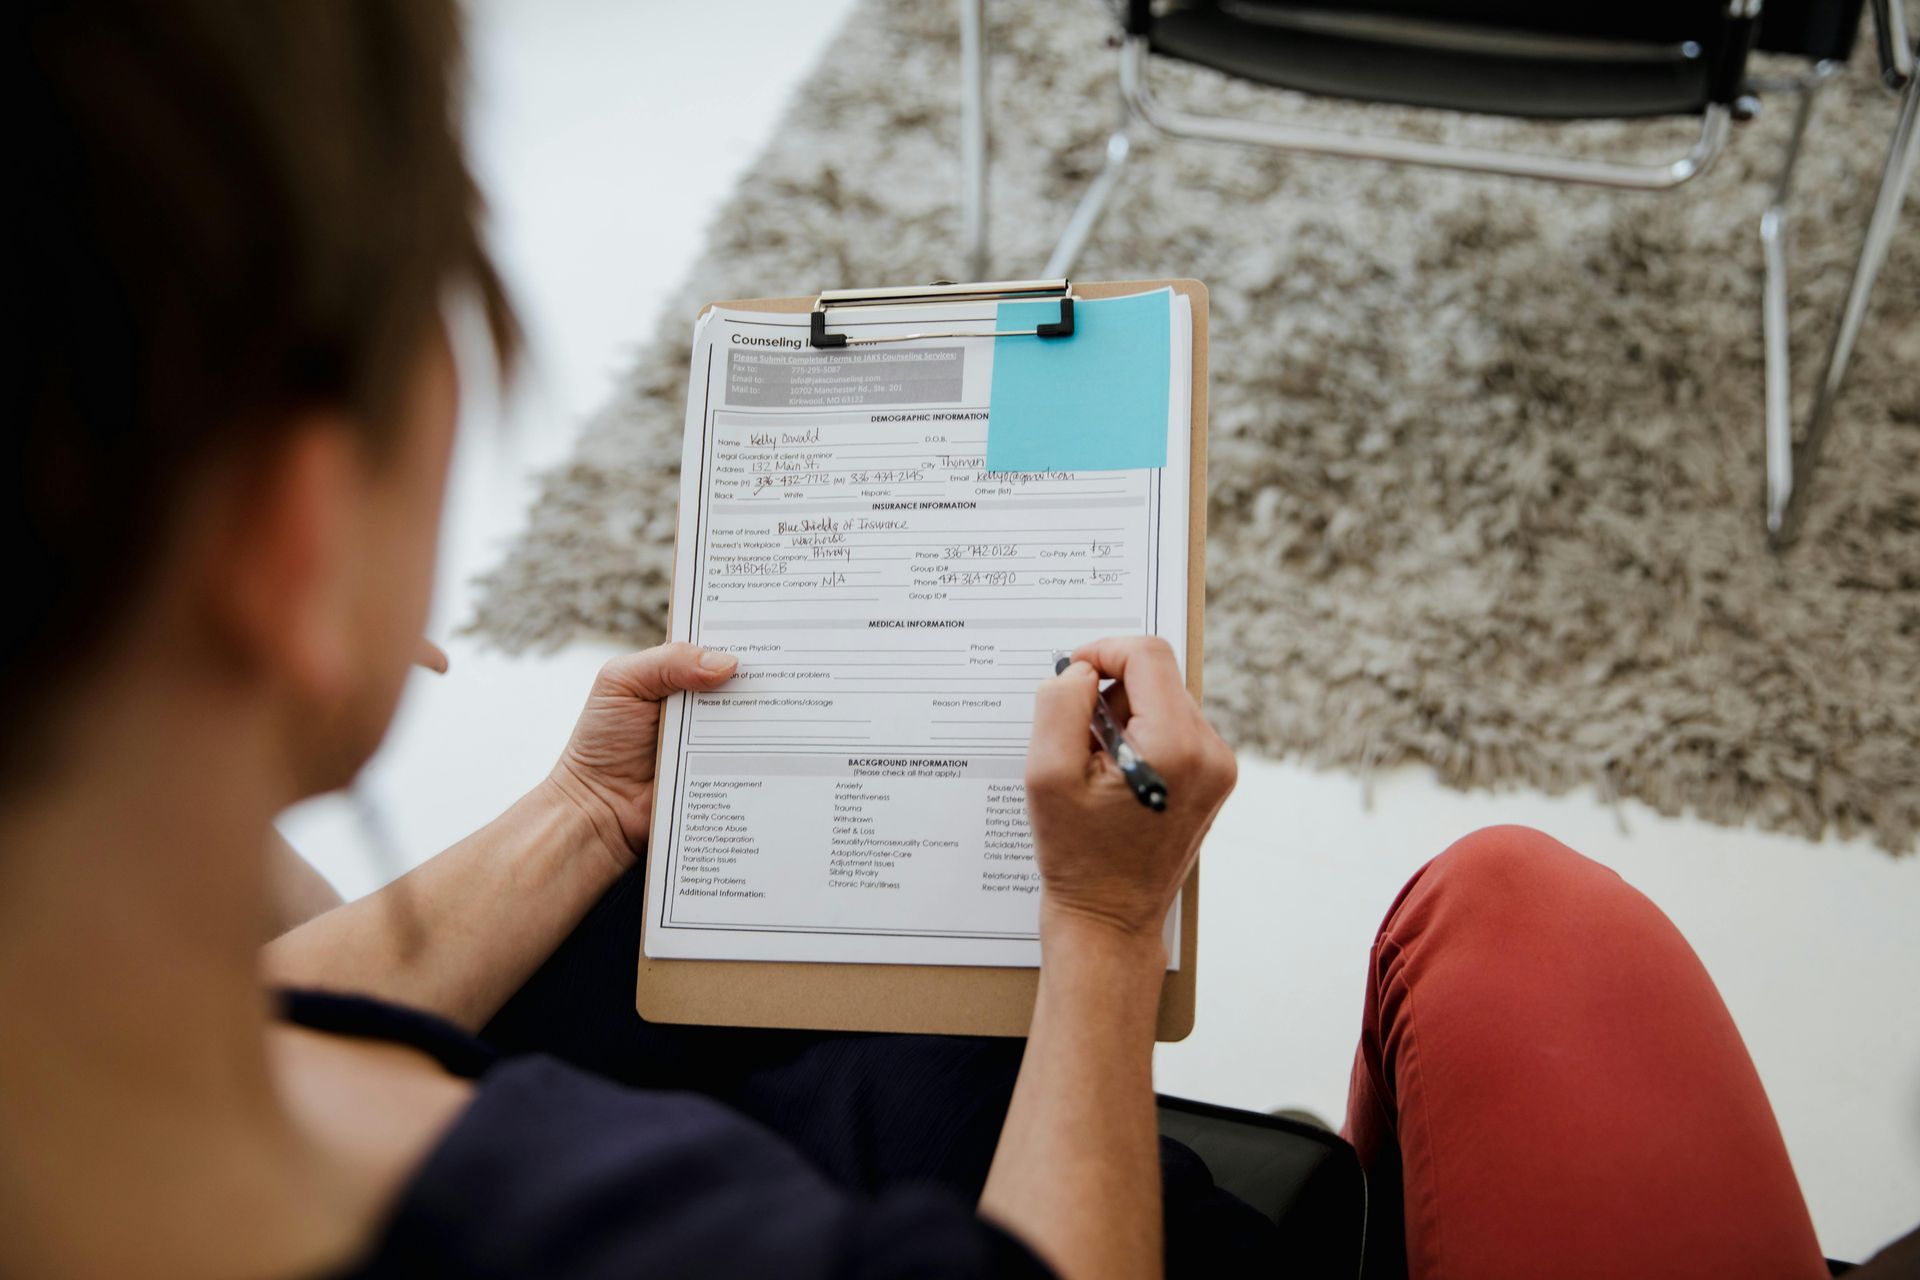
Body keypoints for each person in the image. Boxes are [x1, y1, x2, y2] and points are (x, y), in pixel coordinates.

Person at [7, 3, 1916, 1278]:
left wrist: (592, 809)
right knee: (1526, 927)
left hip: (800, 1053)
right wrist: (1102, 928)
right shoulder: (612, 1229)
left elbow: (281, 998)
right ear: (293, 540)